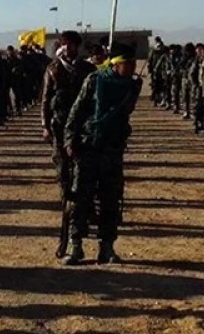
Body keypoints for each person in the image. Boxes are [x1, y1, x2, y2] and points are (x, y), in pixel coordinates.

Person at [62, 42, 141, 266]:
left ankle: (106, 247)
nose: (133, 67)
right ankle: (75, 245)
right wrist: (70, 140)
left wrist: (133, 92)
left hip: (112, 150)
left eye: (134, 63)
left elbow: (126, 113)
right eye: (128, 63)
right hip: (88, 148)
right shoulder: (94, 81)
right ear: (116, 64)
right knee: (80, 199)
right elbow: (75, 113)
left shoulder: (130, 86)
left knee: (110, 200)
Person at [42, 31, 96, 205]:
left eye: (70, 44)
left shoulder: (88, 70)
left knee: (84, 166)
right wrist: (45, 126)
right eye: (64, 44)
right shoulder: (52, 69)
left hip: (82, 124)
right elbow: (45, 99)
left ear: (77, 46)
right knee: (61, 163)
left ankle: (84, 204)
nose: (66, 48)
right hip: (59, 123)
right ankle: (66, 197)